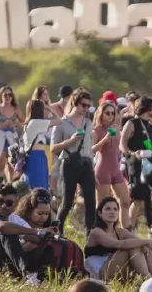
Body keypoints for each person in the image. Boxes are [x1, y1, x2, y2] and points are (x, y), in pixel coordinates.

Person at [0, 184, 54, 285]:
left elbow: (35, 239)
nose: (3, 206)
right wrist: (37, 231)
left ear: (15, 203)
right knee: (7, 236)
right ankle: (29, 275)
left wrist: (49, 235)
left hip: (1, 264)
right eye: (0, 201)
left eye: (9, 203)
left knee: (46, 247)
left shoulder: (14, 219)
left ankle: (41, 276)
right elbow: (2, 228)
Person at [120, 96, 152, 236]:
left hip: (150, 163)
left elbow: (148, 145)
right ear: (147, 108)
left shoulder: (150, 125)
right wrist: (131, 154)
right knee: (138, 198)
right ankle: (128, 229)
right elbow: (122, 143)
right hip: (137, 164)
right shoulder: (132, 123)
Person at [51, 88, 97, 233]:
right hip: (69, 164)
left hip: (86, 163)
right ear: (75, 104)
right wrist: (70, 141)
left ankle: (91, 234)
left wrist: (93, 166)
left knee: (91, 201)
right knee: (67, 202)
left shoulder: (88, 123)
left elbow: (89, 147)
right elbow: (53, 148)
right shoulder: (62, 123)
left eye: (88, 106)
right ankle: (57, 230)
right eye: (83, 105)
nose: (86, 108)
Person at [84, 196, 152, 281]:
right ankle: (148, 280)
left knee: (142, 247)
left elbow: (140, 243)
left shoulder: (120, 232)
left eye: (115, 209)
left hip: (117, 271)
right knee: (131, 247)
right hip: (99, 274)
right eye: (108, 209)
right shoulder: (96, 231)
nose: (112, 212)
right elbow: (119, 244)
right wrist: (146, 241)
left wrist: (146, 244)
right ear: (100, 213)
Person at [92, 102, 130, 227]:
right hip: (103, 169)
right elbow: (91, 150)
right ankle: (99, 230)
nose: (110, 116)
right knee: (102, 205)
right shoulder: (96, 130)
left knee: (125, 201)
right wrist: (104, 140)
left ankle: (125, 230)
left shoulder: (115, 128)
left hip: (116, 169)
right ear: (101, 114)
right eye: (107, 113)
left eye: (112, 113)